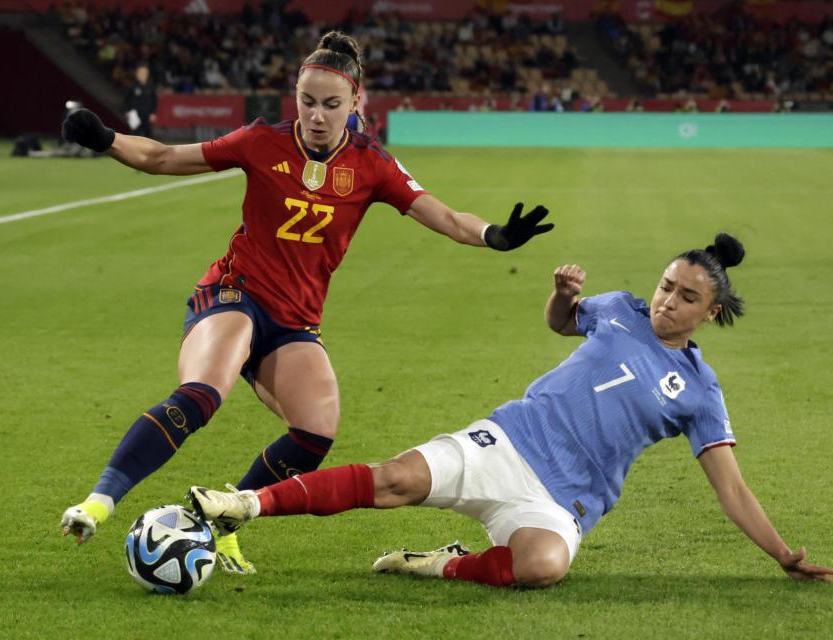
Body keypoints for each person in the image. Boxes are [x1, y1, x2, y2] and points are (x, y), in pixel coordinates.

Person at [58, 31, 554, 575]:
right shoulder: (260, 141)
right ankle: (98, 503)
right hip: (233, 295)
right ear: (295, 97)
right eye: (307, 101)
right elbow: (161, 156)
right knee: (203, 392)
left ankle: (221, 525)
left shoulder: (372, 165)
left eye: (332, 105)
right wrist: (105, 139)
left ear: (357, 102)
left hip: (294, 323)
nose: (317, 116)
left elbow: (450, 218)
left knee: (316, 430)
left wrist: (495, 236)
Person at [189, 234, 833, 587]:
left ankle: (440, 563)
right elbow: (561, 325)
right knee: (395, 480)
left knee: (543, 567)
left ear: (711, 313)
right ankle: (243, 505)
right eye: (666, 285)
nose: (667, 301)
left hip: (566, 501)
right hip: (509, 439)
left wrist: (781, 554)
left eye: (686, 297)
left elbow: (733, 488)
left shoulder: (700, 391)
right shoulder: (619, 309)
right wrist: (560, 296)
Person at [123, 62, 158, 138]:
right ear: (137, 74)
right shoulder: (132, 86)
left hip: (147, 116)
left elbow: (154, 101)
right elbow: (126, 101)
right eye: (141, 72)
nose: (143, 74)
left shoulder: (150, 87)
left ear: (147, 74)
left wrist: (153, 113)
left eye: (145, 73)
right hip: (135, 116)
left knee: (149, 137)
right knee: (135, 137)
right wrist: (127, 112)